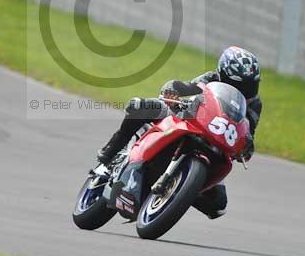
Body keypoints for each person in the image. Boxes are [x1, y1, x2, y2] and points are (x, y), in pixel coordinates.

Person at [96, 46, 262, 219]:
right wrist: (173, 92)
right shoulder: (210, 79)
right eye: (240, 84)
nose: (245, 89)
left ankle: (179, 191)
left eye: (251, 84)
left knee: (218, 204)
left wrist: (247, 145)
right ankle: (110, 152)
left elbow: (248, 132)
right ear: (223, 73)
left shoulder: (254, 104)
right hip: (187, 120)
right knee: (139, 107)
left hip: (215, 144)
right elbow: (184, 89)